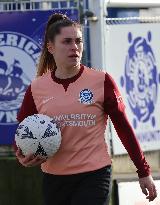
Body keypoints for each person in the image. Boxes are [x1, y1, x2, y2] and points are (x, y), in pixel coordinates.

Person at [15, 13, 157, 205]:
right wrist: (22, 154)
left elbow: (123, 127)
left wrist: (143, 171)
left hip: (95, 174)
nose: (74, 46)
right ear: (51, 47)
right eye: (66, 41)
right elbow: (22, 131)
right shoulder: (37, 88)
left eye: (78, 41)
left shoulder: (101, 81)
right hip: (54, 178)